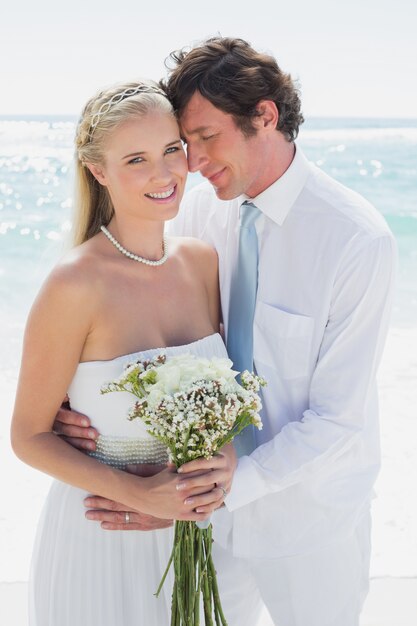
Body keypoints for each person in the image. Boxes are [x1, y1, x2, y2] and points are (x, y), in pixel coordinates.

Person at [53, 38, 397, 626]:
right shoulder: (200, 209)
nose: (193, 162)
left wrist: (222, 489)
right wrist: (76, 399)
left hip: (309, 524)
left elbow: (338, 418)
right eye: (186, 144)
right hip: (205, 513)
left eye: (207, 138)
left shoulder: (356, 240)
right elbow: (130, 305)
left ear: (264, 115)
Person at [10, 80, 238, 626]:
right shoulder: (75, 283)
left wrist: (218, 468)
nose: (163, 174)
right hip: (100, 533)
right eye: (136, 159)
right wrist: (142, 496)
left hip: (190, 536)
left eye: (170, 150)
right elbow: (27, 437)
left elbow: (224, 404)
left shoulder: (203, 263)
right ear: (99, 171)